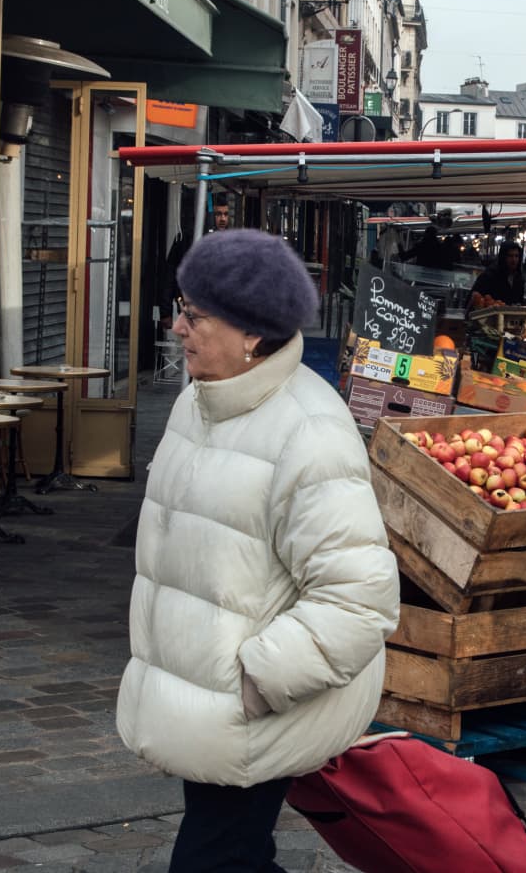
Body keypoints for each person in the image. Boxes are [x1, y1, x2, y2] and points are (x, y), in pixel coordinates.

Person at [119, 229, 399, 870]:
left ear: (252, 334)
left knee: (212, 861)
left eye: (195, 314)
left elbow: (360, 598)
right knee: (233, 856)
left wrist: (255, 680)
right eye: (180, 306)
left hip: (256, 701)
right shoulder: (201, 402)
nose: (177, 327)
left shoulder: (310, 433)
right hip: (204, 695)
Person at [471, 241, 526, 306]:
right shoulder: (489, 276)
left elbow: (519, 301)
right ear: (503, 257)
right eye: (510, 256)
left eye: (516, 256)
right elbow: (474, 299)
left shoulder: (518, 278)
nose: (514, 260)